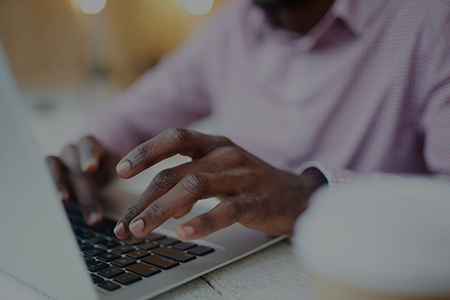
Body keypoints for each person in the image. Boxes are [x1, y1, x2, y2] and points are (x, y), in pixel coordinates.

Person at [46, 0, 450, 242]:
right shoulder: (230, 25)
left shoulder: (432, 21)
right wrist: (90, 157)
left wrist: (311, 195)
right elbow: (129, 116)